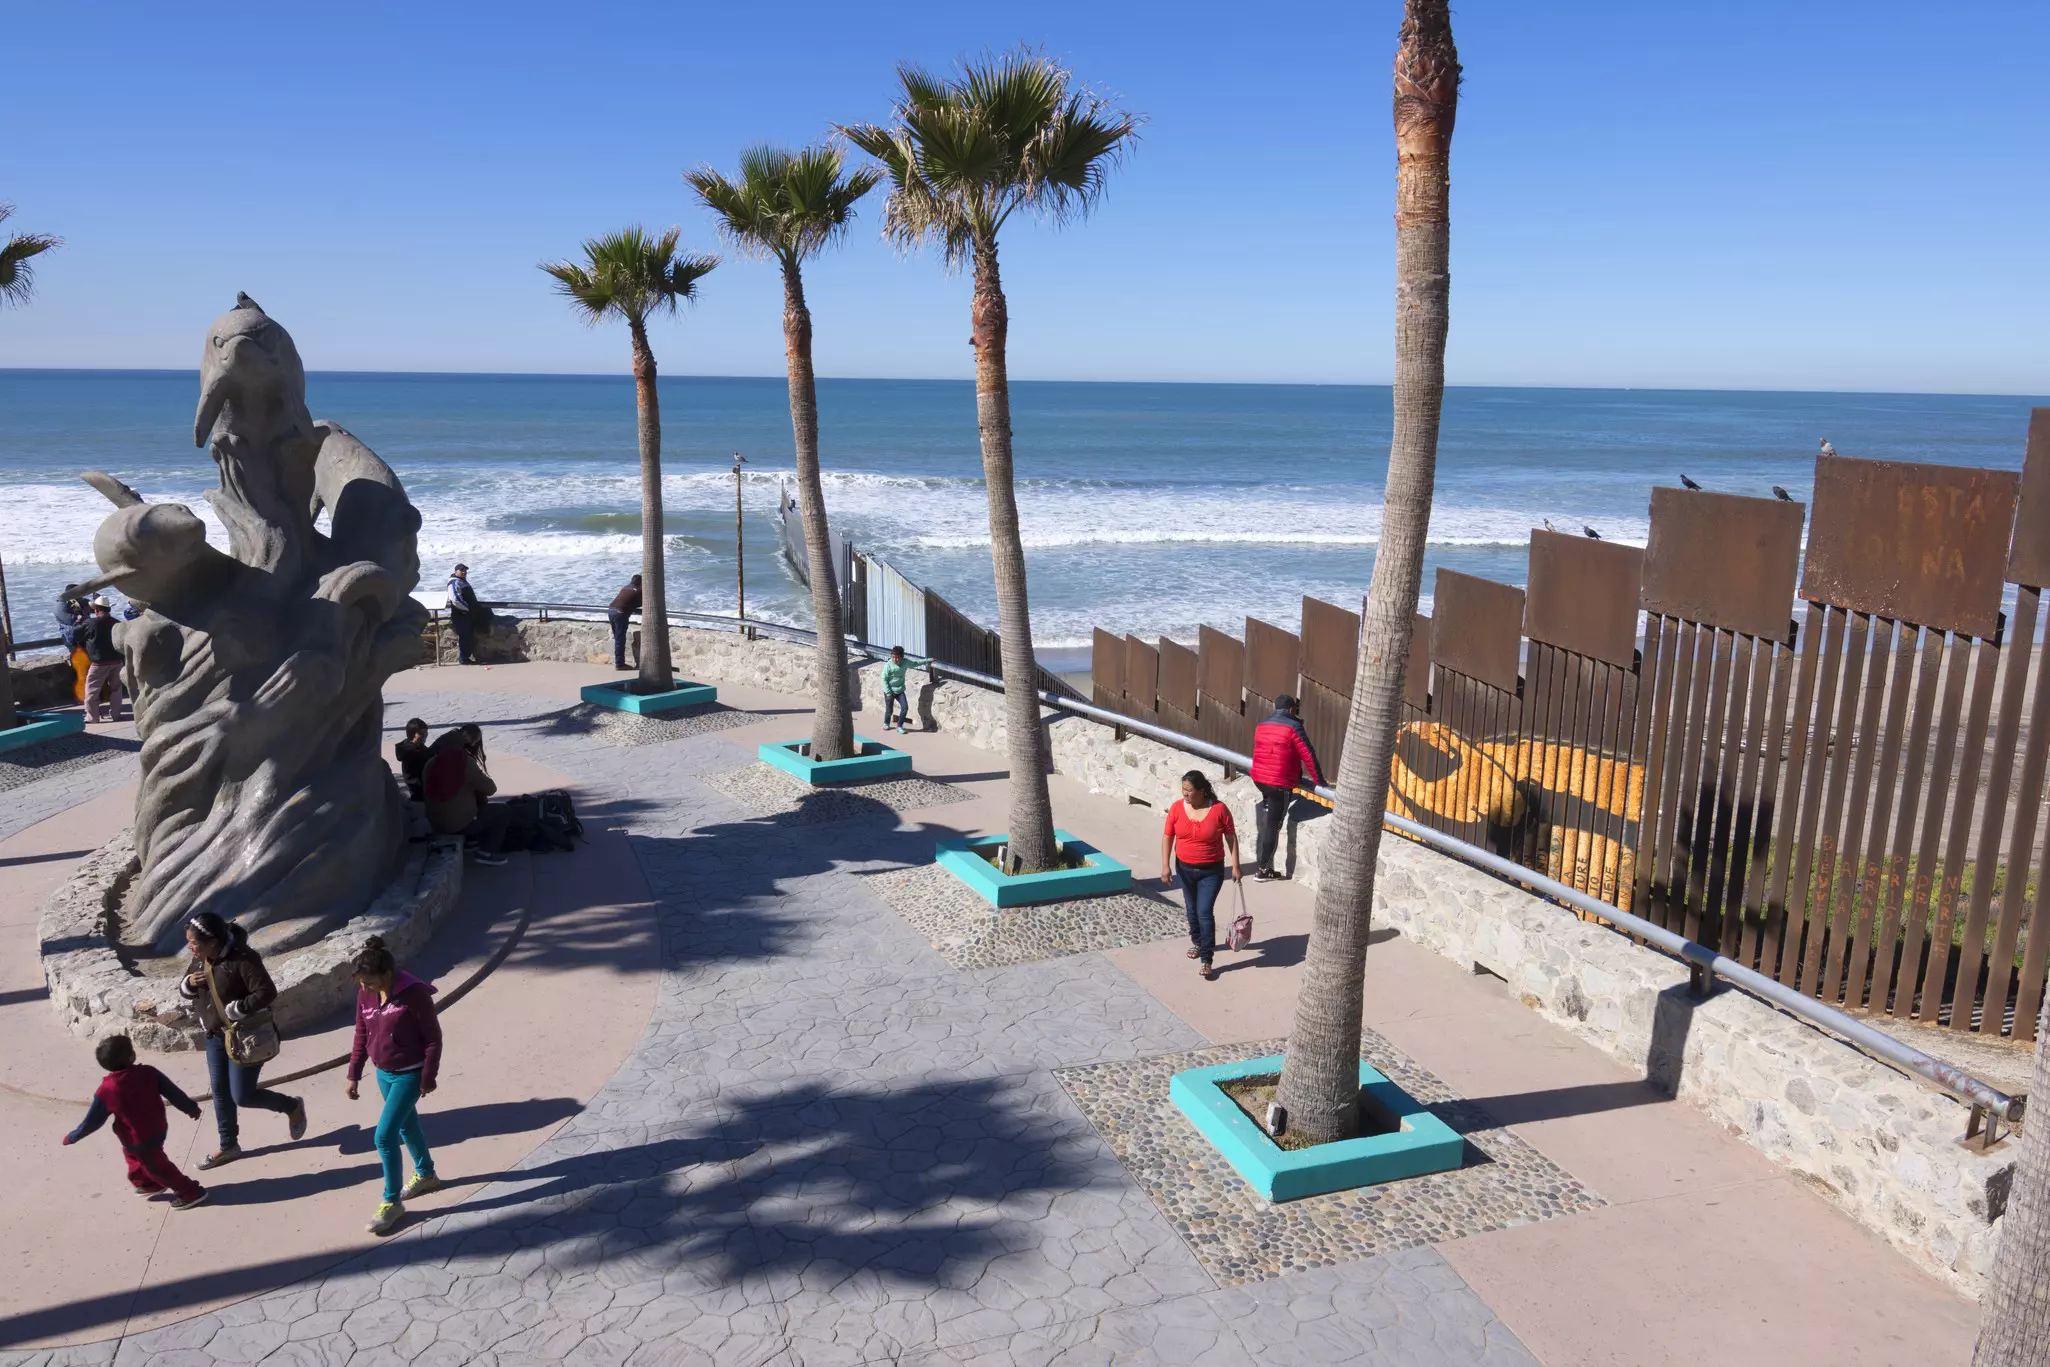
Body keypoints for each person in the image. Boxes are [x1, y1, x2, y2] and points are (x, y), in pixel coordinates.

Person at [178, 910, 307, 1168]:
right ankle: (228, 1145)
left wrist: (240, 1008)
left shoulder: (243, 959)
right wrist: (189, 984)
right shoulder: (201, 958)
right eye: (188, 942)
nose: (190, 947)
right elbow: (186, 988)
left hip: (245, 1037)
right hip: (215, 1036)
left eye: (194, 942)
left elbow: (266, 991)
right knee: (220, 1092)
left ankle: (291, 1106)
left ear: (213, 941)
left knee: (243, 1095)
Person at [345, 935, 444, 1235]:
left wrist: (428, 1076)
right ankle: (426, 1173)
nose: (366, 989)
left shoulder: (413, 994)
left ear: (388, 974)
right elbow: (362, 1032)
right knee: (406, 1125)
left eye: (371, 983)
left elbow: (433, 1038)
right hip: (383, 1072)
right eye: (362, 984)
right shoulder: (366, 994)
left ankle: (391, 1202)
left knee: (384, 1137)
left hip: (409, 1074)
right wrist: (353, 1072)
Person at [62, 1034, 209, 1209]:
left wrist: (74, 1136)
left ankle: (189, 1191)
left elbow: (93, 1120)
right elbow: (173, 1092)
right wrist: (190, 1108)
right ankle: (149, 1184)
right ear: (131, 1057)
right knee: (134, 1158)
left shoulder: (108, 1089)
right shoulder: (148, 1072)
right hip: (156, 1129)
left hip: (139, 1139)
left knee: (158, 1167)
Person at [1159, 770, 1241, 980]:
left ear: (1202, 791)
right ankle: (1197, 941)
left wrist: (1235, 865)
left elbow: (1231, 838)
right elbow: (1168, 836)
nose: (1185, 794)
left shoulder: (1219, 810)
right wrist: (1165, 866)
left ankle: (1207, 958)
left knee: (1204, 912)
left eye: (1189, 791)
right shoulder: (1177, 808)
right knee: (1191, 911)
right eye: (1183, 790)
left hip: (1210, 871)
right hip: (1184, 869)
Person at [1249, 693, 1322, 882]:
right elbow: (1308, 755)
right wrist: (1319, 781)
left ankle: (1264, 864)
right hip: (1278, 784)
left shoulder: (1262, 725)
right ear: (1291, 709)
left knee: (1269, 818)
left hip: (1259, 779)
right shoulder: (1293, 727)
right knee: (1273, 827)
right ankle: (1263, 870)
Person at [424, 724, 510, 865]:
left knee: (465, 801)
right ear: (471, 742)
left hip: (435, 822)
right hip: (456, 825)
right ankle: (486, 852)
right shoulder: (465, 763)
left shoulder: (431, 762)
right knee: (503, 811)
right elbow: (490, 789)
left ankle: (470, 841)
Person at [79, 597, 126, 723]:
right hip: (117, 661)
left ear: (96, 610)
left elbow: (75, 635)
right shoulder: (117, 623)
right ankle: (116, 715)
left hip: (99, 662)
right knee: (116, 689)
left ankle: (93, 716)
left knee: (92, 689)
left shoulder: (91, 623)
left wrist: (79, 621)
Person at [881, 645, 927, 733]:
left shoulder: (905, 662)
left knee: (905, 708)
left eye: (897, 658)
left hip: (900, 690)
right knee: (889, 710)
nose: (895, 659)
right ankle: (886, 723)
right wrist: (888, 692)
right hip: (889, 691)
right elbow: (883, 679)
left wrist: (927, 660)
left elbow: (915, 664)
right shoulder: (888, 665)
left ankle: (899, 726)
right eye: (893, 657)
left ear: (902, 657)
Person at [446, 563, 480, 665]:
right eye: (462, 570)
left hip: (466, 614)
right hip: (461, 614)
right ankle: (463, 658)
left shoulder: (461, 581)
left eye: (465, 570)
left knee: (468, 636)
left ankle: (466, 657)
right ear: (456, 571)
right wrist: (467, 609)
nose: (464, 572)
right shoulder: (454, 582)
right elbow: (455, 599)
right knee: (465, 636)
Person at [607, 574, 643, 671]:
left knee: (617, 638)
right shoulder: (639, 590)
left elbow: (627, 601)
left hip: (611, 610)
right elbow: (643, 603)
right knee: (620, 639)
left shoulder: (626, 587)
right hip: (620, 613)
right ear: (640, 582)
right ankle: (620, 664)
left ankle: (619, 662)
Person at [393, 717, 431, 802]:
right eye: (422, 732)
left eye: (426, 732)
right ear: (413, 734)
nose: (425, 735)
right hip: (421, 795)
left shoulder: (416, 746)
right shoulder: (413, 752)